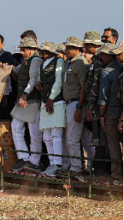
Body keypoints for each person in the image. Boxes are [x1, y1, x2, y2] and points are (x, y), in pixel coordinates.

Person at [55, 36, 89, 182]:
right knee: (71, 137)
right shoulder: (69, 62)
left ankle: (76, 169)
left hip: (75, 103)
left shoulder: (80, 63)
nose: (66, 50)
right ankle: (74, 167)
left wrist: (79, 107)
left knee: (72, 138)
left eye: (69, 48)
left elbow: (83, 87)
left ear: (77, 49)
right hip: (68, 103)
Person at [9, 38, 43, 173]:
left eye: (24, 50)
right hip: (24, 101)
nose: (22, 52)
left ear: (33, 49)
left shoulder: (36, 60)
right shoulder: (26, 61)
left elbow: (33, 79)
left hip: (31, 100)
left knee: (34, 133)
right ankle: (24, 158)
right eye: (21, 50)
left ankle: (35, 161)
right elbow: (15, 71)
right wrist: (5, 67)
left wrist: (25, 94)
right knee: (16, 127)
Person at [35, 42, 66, 177]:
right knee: (46, 136)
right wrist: (38, 84)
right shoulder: (43, 64)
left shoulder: (58, 61)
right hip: (45, 101)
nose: (43, 54)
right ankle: (52, 163)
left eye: (45, 52)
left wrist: (52, 98)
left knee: (56, 134)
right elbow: (38, 77)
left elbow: (58, 81)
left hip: (56, 102)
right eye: (42, 52)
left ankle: (58, 164)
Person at [81, 31, 108, 177]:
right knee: (97, 140)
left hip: (99, 108)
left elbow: (97, 86)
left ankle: (100, 172)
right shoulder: (96, 59)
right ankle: (97, 170)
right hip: (96, 107)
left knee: (100, 141)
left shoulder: (100, 60)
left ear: (93, 45)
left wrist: (91, 107)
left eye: (86, 44)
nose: (84, 47)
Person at [98, 43, 123, 186]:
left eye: (102, 54)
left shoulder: (106, 72)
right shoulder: (121, 68)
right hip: (120, 111)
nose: (100, 57)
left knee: (113, 145)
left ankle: (117, 176)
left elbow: (103, 99)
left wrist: (102, 116)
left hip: (112, 113)